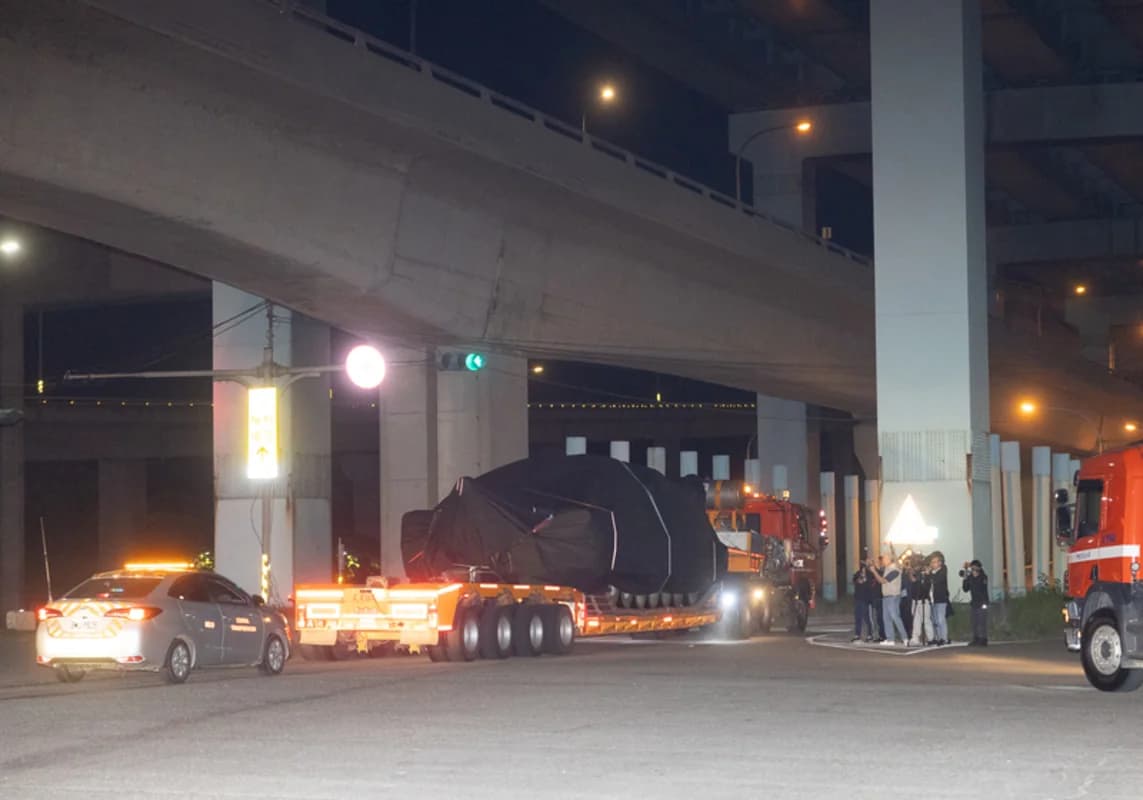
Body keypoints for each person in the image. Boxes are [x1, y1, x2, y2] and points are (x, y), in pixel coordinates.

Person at [871, 553, 908, 645]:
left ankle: (905, 637)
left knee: (895, 617)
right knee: (886, 618)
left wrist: (874, 571)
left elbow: (882, 581)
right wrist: (874, 565)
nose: (882, 561)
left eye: (883, 559)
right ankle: (890, 639)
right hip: (886, 597)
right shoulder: (887, 568)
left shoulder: (895, 570)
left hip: (893, 596)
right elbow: (880, 569)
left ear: (889, 559)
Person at [961, 559, 989, 646]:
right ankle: (976, 638)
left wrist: (976, 574)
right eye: (972, 568)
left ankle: (983, 639)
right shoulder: (970, 577)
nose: (973, 570)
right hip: (974, 603)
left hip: (982, 602)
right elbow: (965, 589)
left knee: (981, 621)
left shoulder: (983, 577)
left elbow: (982, 586)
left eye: (975, 568)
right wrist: (965, 577)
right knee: (974, 622)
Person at [908, 562, 933, 647]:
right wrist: (911, 573)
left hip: (923, 601)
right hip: (915, 601)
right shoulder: (916, 574)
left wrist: (926, 574)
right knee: (916, 621)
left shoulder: (925, 575)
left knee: (926, 620)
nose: (915, 568)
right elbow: (913, 580)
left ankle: (931, 638)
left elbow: (926, 587)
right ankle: (915, 639)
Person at [929, 553, 950, 646]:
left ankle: (944, 638)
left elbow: (937, 580)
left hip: (941, 599)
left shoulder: (943, 570)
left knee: (941, 619)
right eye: (932, 562)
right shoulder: (931, 572)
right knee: (934, 620)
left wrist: (930, 573)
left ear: (940, 563)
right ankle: (937, 637)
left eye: (934, 562)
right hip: (932, 599)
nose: (932, 564)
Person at [852, 561, 874, 642]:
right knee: (858, 617)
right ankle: (857, 634)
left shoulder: (870, 574)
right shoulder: (858, 573)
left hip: (865, 599)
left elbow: (869, 584)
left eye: (864, 565)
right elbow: (855, 580)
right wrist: (859, 578)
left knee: (866, 617)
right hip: (858, 598)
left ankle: (870, 634)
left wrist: (865, 576)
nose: (862, 567)